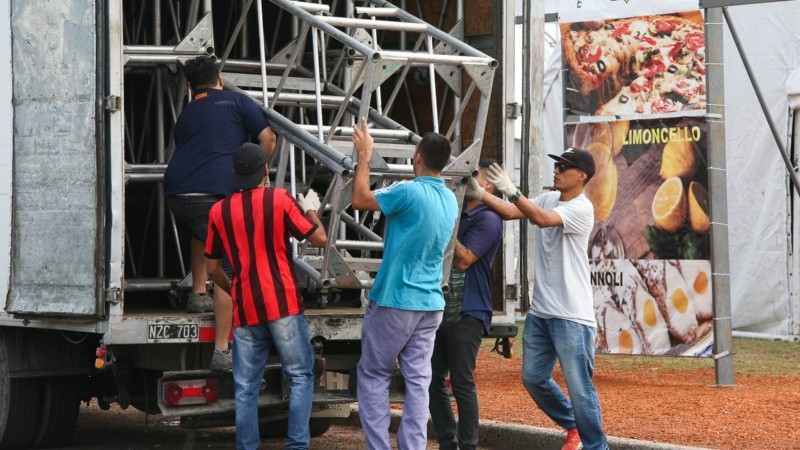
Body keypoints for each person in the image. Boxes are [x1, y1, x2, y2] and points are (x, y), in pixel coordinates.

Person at [471, 148, 609, 450]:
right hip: (541, 314)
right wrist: (480, 192)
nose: (557, 170)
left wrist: (513, 190)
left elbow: (543, 220)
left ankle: (596, 446)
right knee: (533, 378)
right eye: (556, 165)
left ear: (581, 176)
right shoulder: (549, 198)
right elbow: (509, 212)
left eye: (564, 166)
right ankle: (574, 424)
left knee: (580, 388)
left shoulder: (582, 208)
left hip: (572, 316)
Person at [205, 143, 327, 450]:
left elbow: (211, 267)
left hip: (245, 309)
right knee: (300, 375)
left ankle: (247, 447)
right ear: (265, 172)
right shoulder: (279, 198)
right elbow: (320, 238)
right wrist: (311, 207)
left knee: (246, 388)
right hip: (282, 303)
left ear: (235, 174)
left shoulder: (218, 211)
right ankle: (296, 445)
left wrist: (233, 287)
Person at [351, 118, 459, 450]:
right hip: (431, 303)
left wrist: (365, 157)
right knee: (418, 380)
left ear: (417, 158)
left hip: (397, 299)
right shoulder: (451, 199)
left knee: (374, 375)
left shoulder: (407, 191)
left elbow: (360, 200)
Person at [164, 55, 276, 371]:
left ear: (190, 86)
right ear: (220, 79)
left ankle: (198, 293)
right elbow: (268, 137)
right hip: (212, 192)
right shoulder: (237, 102)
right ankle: (222, 350)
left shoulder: (186, 114)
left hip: (177, 192)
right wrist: (258, 170)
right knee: (229, 267)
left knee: (203, 231)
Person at [428, 158, 503, 450]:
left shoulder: (488, 218)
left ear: (488, 186)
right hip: (439, 309)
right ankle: (448, 443)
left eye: (473, 177)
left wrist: (445, 220)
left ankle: (468, 446)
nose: (465, 181)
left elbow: (464, 259)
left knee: (461, 382)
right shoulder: (460, 213)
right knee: (433, 380)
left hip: (468, 312)